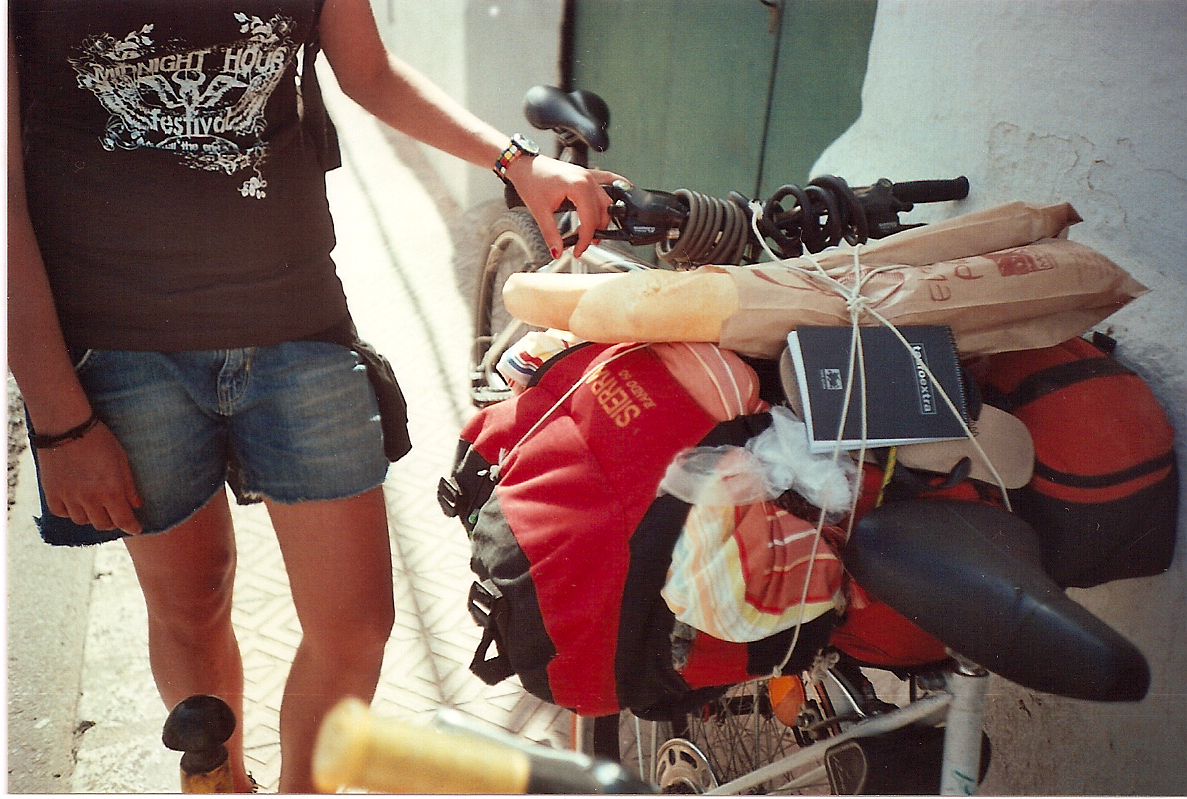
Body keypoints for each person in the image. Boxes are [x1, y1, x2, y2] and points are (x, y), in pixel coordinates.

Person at [8, 0, 619, 791]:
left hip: (297, 322)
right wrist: (58, 420)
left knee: (356, 626)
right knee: (192, 601)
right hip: (122, 346)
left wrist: (517, 162)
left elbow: (370, 72)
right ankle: (223, 780)